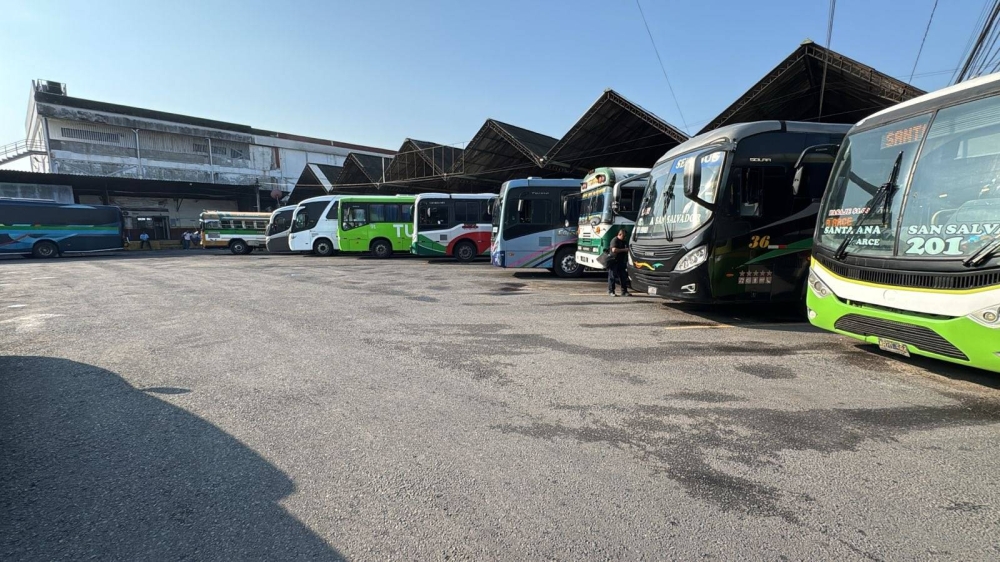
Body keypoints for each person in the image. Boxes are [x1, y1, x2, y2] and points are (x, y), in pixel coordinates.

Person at [608, 228, 630, 297]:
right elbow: (614, 250)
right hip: (614, 261)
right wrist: (624, 250)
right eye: (623, 236)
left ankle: (624, 291)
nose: (624, 238)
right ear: (619, 234)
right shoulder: (615, 240)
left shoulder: (624, 241)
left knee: (623, 276)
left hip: (621, 261)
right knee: (612, 277)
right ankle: (611, 291)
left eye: (625, 236)